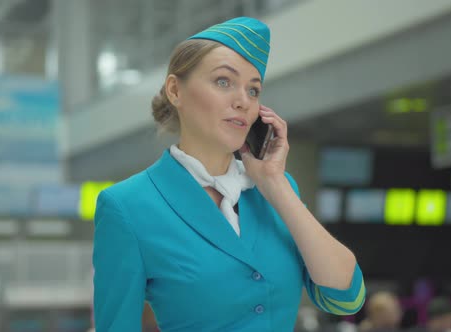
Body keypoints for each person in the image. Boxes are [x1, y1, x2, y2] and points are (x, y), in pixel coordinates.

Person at [92, 16, 365, 331]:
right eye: (224, 81)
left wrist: (276, 184)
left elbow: (346, 297)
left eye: (253, 90)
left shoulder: (276, 192)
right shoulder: (127, 206)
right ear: (175, 90)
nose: (242, 101)